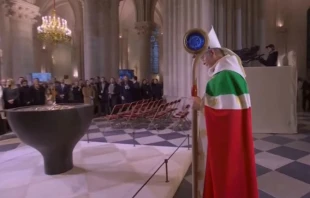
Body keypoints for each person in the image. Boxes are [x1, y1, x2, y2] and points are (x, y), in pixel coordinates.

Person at [192, 30, 258, 198]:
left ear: (212, 53)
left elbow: (225, 116)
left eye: (203, 58)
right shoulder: (232, 73)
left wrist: (200, 105)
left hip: (226, 141)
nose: (204, 63)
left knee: (225, 174)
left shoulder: (224, 77)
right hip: (234, 137)